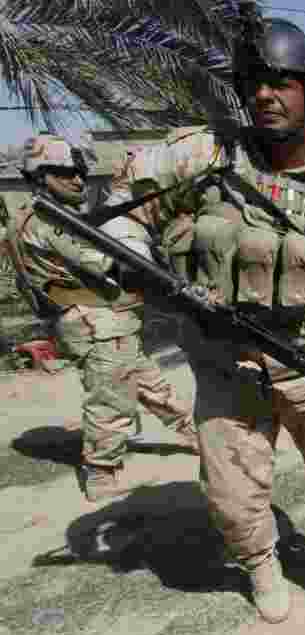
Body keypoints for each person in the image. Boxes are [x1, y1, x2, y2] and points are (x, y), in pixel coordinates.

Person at [100, 17, 305, 635]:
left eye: (283, 83)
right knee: (231, 493)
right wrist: (136, 261)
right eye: (255, 83)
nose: (265, 95)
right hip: (226, 368)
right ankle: (260, 565)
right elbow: (122, 206)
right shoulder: (203, 157)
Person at [5, 133, 199, 503]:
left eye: (79, 172)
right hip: (95, 323)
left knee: (149, 383)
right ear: (41, 176)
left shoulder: (24, 217)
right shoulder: (50, 220)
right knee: (112, 398)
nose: (78, 180)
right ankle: (101, 473)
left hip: (93, 320)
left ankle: (194, 433)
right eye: (65, 173)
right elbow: (110, 263)